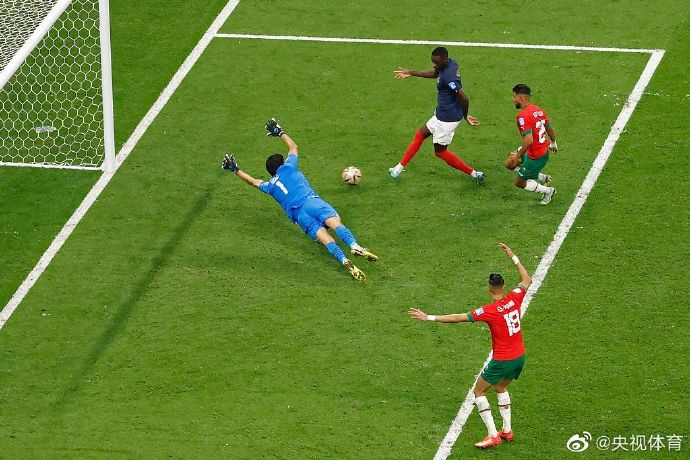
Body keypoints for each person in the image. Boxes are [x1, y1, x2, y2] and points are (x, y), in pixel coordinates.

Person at [222, 118, 378, 281]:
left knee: (324, 239)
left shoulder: (270, 186)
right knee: (335, 223)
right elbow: (293, 147)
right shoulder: (288, 167)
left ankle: (344, 260)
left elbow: (253, 181)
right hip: (312, 202)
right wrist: (279, 132)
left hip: (300, 216)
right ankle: (354, 245)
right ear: (281, 163)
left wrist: (235, 169)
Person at [408, 243, 531, 449]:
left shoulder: (489, 311)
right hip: (519, 356)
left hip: (502, 359)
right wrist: (513, 256)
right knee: (501, 387)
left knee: (479, 392)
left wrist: (428, 317)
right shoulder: (515, 297)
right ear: (503, 287)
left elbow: (458, 317)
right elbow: (526, 279)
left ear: (489, 288)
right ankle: (507, 430)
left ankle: (493, 435)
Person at [389, 46, 484, 184]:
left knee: (440, 152)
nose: (434, 65)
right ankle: (398, 169)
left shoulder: (449, 78)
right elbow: (434, 74)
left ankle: (475, 174)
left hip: (447, 119)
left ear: (445, 59)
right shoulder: (449, 63)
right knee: (420, 134)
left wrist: (465, 116)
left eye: (436, 62)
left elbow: (464, 98)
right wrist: (411, 72)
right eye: (433, 61)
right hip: (442, 113)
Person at [505, 83, 558, 204]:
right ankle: (542, 177)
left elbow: (529, 140)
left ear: (521, 98)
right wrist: (553, 142)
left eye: (514, 97)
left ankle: (549, 191)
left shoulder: (522, 116)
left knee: (519, 183)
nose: (513, 100)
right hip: (532, 150)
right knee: (509, 164)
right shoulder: (538, 110)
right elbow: (549, 128)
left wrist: (518, 156)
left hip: (536, 157)